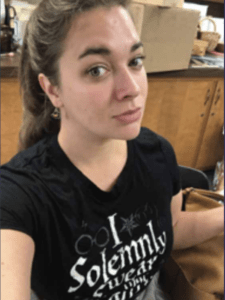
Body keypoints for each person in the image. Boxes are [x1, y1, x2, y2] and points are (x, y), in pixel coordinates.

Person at [1, 0, 224, 299]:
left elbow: (171, 228)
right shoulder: (20, 195)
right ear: (53, 89)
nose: (131, 88)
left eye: (135, 61)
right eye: (96, 70)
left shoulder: (157, 154)